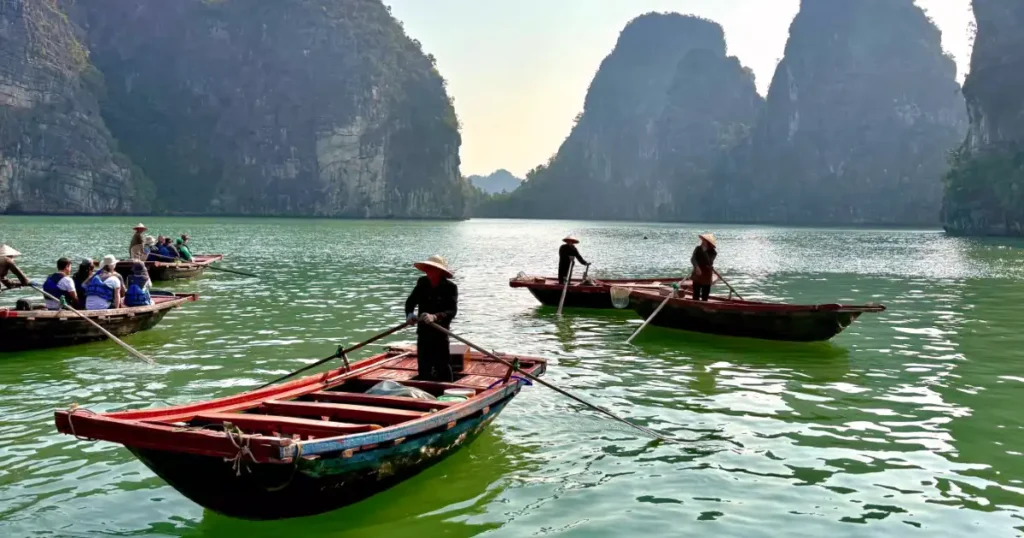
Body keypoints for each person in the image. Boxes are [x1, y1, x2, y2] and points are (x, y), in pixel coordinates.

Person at [404, 255, 458, 382]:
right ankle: (424, 392)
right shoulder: (422, 283)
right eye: (427, 269)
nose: (428, 272)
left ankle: (446, 391)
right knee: (424, 365)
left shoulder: (450, 287)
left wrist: (435, 316)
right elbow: (410, 302)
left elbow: (452, 311)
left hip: (440, 332)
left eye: (432, 269)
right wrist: (409, 314)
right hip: (423, 331)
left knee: (443, 365)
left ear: (439, 271)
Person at [690, 233, 718, 302]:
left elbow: (709, 262)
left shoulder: (713, 252)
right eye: (703, 241)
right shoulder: (698, 248)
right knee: (696, 294)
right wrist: (696, 267)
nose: (702, 242)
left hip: (707, 274)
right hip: (697, 273)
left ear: (708, 243)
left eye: (704, 241)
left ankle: (704, 306)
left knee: (705, 296)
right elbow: (693, 259)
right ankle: (695, 307)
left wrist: (705, 252)